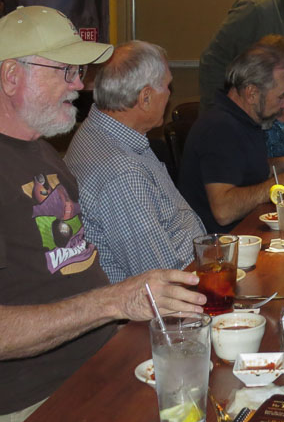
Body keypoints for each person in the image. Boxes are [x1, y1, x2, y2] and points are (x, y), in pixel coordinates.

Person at [0, 6, 206, 422]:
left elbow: (71, 273)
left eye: (79, 72)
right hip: (20, 411)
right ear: (13, 77)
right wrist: (115, 301)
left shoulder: (42, 154)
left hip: (96, 371)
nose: (81, 85)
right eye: (66, 71)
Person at [65, 41, 207, 283]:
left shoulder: (105, 131)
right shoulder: (121, 172)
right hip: (165, 305)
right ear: (146, 98)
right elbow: (161, 281)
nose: (170, 93)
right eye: (167, 86)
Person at [180, 40, 284, 232]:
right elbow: (224, 210)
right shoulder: (219, 128)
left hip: (247, 231)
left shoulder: (245, 118)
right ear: (251, 93)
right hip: (224, 248)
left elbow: (247, 169)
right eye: (280, 96)